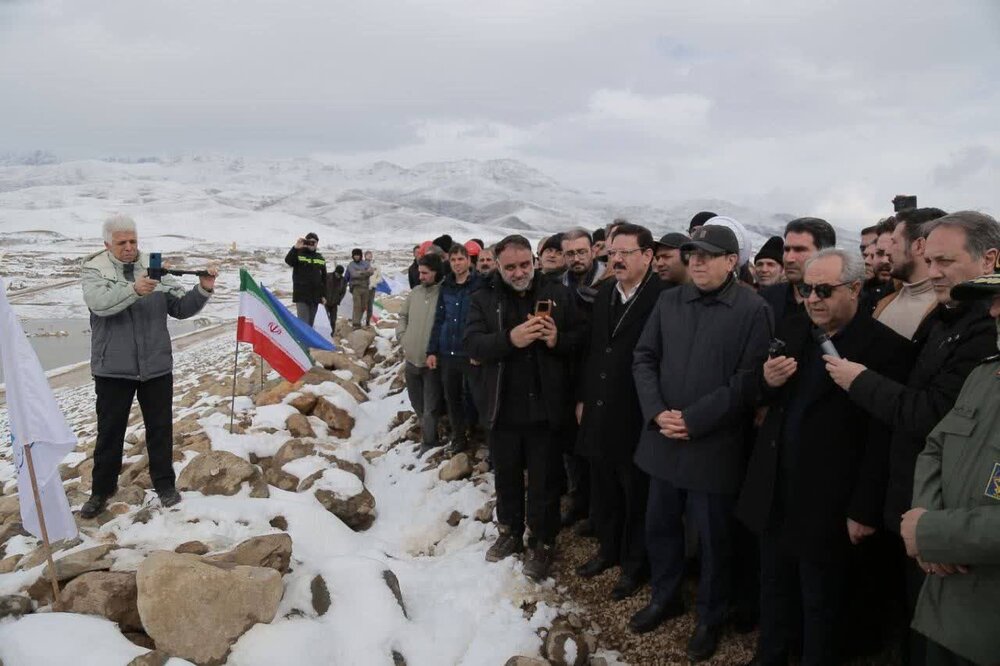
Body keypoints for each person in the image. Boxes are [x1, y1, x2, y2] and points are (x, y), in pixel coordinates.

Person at [824, 210, 1000, 665]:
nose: (933, 271)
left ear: (989, 261)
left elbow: (930, 416)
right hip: (921, 514)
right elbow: (938, 442)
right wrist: (924, 521)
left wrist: (861, 381)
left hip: (961, 545)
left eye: (945, 261)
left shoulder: (980, 333)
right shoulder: (946, 317)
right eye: (930, 259)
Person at [738, 249, 912, 666]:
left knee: (821, 599)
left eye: (824, 290)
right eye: (806, 289)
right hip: (776, 485)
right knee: (773, 584)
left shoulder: (887, 348)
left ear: (855, 288)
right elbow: (757, 392)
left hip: (830, 499)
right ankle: (770, 655)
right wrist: (766, 381)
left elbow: (883, 439)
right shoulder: (794, 326)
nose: (812, 299)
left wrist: (864, 508)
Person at [630, 224, 771, 662]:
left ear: (732, 261)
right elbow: (644, 357)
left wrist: (694, 420)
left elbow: (748, 381)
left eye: (708, 255)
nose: (697, 262)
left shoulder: (754, 309)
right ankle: (665, 596)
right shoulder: (670, 300)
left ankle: (711, 616)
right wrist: (657, 412)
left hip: (714, 445)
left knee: (714, 539)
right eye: (693, 254)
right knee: (660, 526)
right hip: (664, 439)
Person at [465, 234, 586, 581]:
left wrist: (556, 339)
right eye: (510, 267)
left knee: (545, 481)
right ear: (498, 266)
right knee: (506, 477)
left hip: (546, 408)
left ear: (533, 260)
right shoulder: (483, 298)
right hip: (502, 407)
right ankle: (510, 532)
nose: (519, 273)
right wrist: (510, 339)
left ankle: (543, 541)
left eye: (524, 265)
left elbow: (582, 339)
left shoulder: (558, 293)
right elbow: (471, 344)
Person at [79, 214, 216, 517]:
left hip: (155, 366)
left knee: (160, 429)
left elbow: (180, 308)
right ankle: (101, 491)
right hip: (113, 369)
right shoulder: (94, 269)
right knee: (110, 433)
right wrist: (134, 290)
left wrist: (203, 290)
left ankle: (165, 485)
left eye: (133, 241)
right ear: (107, 245)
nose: (129, 247)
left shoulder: (155, 268)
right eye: (121, 243)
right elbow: (99, 304)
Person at [902, 255, 1000, 666]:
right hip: (947, 605)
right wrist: (926, 518)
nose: (993, 311)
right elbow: (935, 447)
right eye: (994, 300)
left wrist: (933, 533)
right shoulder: (985, 375)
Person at [575, 223, 663, 600]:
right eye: (612, 253)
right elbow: (594, 352)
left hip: (636, 412)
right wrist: (583, 397)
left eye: (626, 253)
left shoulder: (664, 298)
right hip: (599, 407)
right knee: (604, 487)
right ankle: (607, 549)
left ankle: (634, 565)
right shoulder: (605, 294)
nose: (617, 260)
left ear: (648, 255)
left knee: (635, 494)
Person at [558, 227, 608, 529]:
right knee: (571, 446)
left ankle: (600, 513)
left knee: (598, 450)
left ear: (593, 251)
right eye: (570, 253)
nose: (576, 258)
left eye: (581, 252)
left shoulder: (610, 283)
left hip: (600, 375)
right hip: (567, 373)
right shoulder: (559, 286)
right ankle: (579, 501)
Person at [427, 243, 482, 454]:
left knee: (476, 395)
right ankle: (459, 436)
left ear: (468, 260)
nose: (457, 263)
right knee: (452, 397)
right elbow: (439, 318)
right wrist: (432, 351)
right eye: (453, 260)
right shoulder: (446, 286)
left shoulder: (478, 284)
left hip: (469, 351)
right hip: (447, 351)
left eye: (461, 259)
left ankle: (478, 432)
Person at [872, 208, 947, 339]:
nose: (888, 252)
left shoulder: (946, 310)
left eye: (894, 242)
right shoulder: (886, 298)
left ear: (919, 246)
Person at [397, 254, 444, 455]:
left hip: (431, 363)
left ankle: (429, 443)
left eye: (425, 273)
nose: (421, 276)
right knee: (417, 403)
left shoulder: (444, 294)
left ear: (436, 272)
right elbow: (403, 316)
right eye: (420, 272)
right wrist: (403, 337)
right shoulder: (415, 292)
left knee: (430, 407)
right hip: (411, 360)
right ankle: (428, 435)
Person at [759, 217, 836, 327]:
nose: (789, 258)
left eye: (800, 250)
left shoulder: (841, 305)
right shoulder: (766, 298)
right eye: (786, 250)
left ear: (825, 254)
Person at [284, 232, 327, 326]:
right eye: (310, 241)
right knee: (303, 324)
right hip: (301, 295)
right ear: (306, 242)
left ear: (317, 243)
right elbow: (288, 261)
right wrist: (295, 248)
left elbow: (324, 278)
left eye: (314, 242)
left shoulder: (320, 258)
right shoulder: (299, 254)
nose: (312, 244)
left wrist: (324, 295)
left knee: (310, 324)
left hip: (315, 296)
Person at [345, 248, 373, 329]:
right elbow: (354, 274)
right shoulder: (351, 265)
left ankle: (358, 321)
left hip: (365, 287)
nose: (356, 257)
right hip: (356, 288)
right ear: (353, 256)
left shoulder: (365, 263)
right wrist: (365, 272)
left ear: (360, 256)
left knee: (363, 306)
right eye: (355, 255)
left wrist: (360, 272)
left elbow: (371, 272)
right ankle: (356, 324)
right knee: (357, 306)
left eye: (358, 255)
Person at [324, 265, 348, 330]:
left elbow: (343, 292)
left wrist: (339, 300)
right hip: (325, 302)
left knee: (333, 320)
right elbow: (322, 287)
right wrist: (322, 297)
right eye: (337, 274)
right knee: (325, 319)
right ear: (335, 272)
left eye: (340, 274)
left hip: (334, 303)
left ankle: (332, 332)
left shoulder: (343, 280)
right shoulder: (328, 276)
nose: (338, 276)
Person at [364, 250, 381, 327]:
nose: (370, 256)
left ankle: (367, 322)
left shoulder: (376, 266)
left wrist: (374, 283)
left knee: (370, 305)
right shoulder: (361, 265)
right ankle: (361, 321)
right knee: (362, 305)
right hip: (364, 288)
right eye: (368, 255)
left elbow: (379, 277)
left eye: (370, 255)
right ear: (365, 256)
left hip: (372, 288)